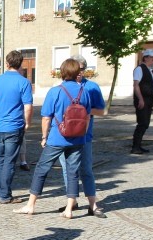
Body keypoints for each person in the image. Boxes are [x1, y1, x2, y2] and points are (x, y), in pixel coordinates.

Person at [13, 58, 91, 219]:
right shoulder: (85, 92)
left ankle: (30, 205)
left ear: (62, 72)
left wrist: (44, 136)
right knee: (72, 172)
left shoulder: (55, 91)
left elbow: (46, 118)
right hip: (78, 139)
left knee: (42, 169)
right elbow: (88, 117)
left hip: (57, 137)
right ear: (78, 73)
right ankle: (69, 208)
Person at [57, 54, 108, 218]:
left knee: (86, 169)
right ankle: (72, 202)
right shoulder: (62, 87)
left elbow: (102, 111)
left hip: (84, 136)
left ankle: (93, 206)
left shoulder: (91, 87)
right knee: (67, 169)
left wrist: (82, 110)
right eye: (76, 69)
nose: (78, 73)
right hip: (65, 136)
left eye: (81, 69)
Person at [0, 50, 33, 204]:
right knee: (9, 161)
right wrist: (27, 122)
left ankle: (0, 192)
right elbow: (28, 106)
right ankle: (5, 195)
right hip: (14, 125)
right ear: (20, 64)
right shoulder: (23, 82)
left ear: (7, 63)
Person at [131, 49, 153, 154]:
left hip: (149, 100)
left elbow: (152, 88)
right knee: (142, 123)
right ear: (145, 57)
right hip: (142, 100)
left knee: (145, 123)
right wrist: (140, 99)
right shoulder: (139, 69)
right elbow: (136, 85)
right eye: (151, 58)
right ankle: (135, 147)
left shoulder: (150, 70)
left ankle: (138, 145)